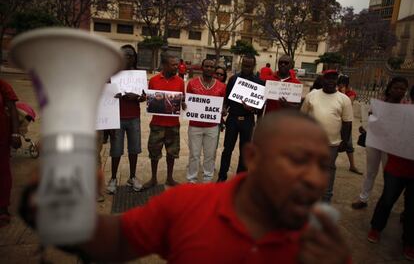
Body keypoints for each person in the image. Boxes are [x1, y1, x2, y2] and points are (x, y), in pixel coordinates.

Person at [20, 111, 350, 263]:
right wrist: (58, 213)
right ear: (253, 157)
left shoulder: (325, 245)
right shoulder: (186, 204)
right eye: (297, 159)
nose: (315, 179)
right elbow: (117, 241)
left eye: (323, 165)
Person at [367, 78, 413, 261]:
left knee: (412, 208)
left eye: (403, 88)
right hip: (397, 166)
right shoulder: (402, 113)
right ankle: (376, 228)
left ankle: (409, 242)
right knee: (387, 198)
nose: (400, 90)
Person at [351, 77, 409, 209]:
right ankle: (363, 198)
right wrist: (365, 126)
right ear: (390, 89)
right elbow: (371, 117)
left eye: (402, 89)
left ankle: (386, 203)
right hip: (374, 141)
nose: (399, 91)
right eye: (396, 88)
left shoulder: (406, 107)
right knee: (370, 171)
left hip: (391, 146)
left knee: (389, 174)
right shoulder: (379, 102)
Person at [301, 70, 353, 202]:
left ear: (337, 81)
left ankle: (326, 197)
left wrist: (345, 142)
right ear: (322, 79)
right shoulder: (312, 95)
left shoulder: (344, 99)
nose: (331, 81)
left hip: (332, 143)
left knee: (328, 169)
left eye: (334, 79)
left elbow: (347, 123)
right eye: (328, 78)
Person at [217, 54, 264, 182]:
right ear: (241, 64)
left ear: (254, 66)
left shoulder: (259, 83)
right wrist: (224, 108)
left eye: (249, 66)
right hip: (232, 119)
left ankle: (240, 178)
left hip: (248, 120)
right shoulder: (233, 79)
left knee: (245, 151)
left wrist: (252, 109)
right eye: (244, 65)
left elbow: (260, 107)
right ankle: (222, 176)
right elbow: (226, 100)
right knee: (227, 149)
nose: (246, 68)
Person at [106, 45, 146, 194]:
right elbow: (105, 95)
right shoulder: (111, 75)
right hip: (116, 118)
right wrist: (113, 94)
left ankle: (132, 177)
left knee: (134, 149)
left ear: (134, 58)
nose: (127, 58)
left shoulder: (139, 76)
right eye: (124, 55)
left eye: (130, 55)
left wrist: (137, 97)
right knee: (116, 150)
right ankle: (113, 178)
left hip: (134, 117)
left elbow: (144, 97)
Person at [144, 53, 186, 188]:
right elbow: (150, 100)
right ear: (164, 65)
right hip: (157, 124)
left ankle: (169, 178)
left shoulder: (180, 82)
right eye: (173, 64)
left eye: (177, 64)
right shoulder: (154, 80)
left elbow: (182, 100)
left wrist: (183, 103)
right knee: (154, 153)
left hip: (173, 125)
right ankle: (154, 178)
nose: (176, 67)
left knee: (172, 153)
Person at [186, 59, 226, 183]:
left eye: (211, 67)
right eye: (206, 66)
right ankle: (191, 179)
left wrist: (223, 111)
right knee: (194, 154)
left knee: (210, 155)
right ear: (202, 67)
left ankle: (207, 179)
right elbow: (187, 102)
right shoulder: (192, 83)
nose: (209, 68)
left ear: (214, 69)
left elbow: (223, 105)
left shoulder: (222, 86)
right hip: (195, 125)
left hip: (212, 126)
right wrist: (184, 105)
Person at [0, 79, 22, 227]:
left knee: (2, 171)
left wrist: (15, 134)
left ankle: (2, 208)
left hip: (1, 136)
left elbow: (12, 108)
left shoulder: (3, 85)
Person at [337, 75, 361, 175]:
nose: (340, 86)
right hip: (336, 121)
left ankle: (352, 165)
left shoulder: (351, 93)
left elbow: (347, 105)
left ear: (346, 85)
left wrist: (342, 93)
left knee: (348, 144)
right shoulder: (335, 92)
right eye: (339, 84)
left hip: (346, 122)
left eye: (342, 85)